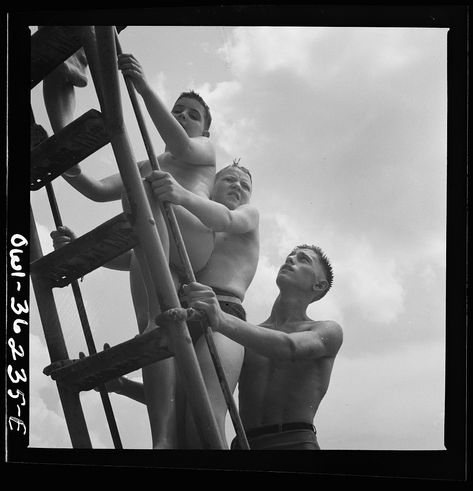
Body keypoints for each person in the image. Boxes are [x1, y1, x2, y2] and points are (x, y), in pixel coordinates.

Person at [50, 161, 260, 448]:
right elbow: (146, 254)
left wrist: (180, 195)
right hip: (183, 312)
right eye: (229, 180)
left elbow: (226, 219)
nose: (237, 186)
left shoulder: (245, 215)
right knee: (177, 408)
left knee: (205, 416)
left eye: (244, 185)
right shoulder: (196, 227)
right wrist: (82, 252)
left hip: (224, 314)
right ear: (212, 187)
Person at [181, 244, 343, 450]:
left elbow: (289, 347)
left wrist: (222, 320)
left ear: (319, 285)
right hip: (245, 444)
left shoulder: (328, 330)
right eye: (290, 256)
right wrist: (126, 387)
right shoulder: (245, 336)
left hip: (294, 442)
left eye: (303, 259)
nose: (291, 259)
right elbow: (206, 392)